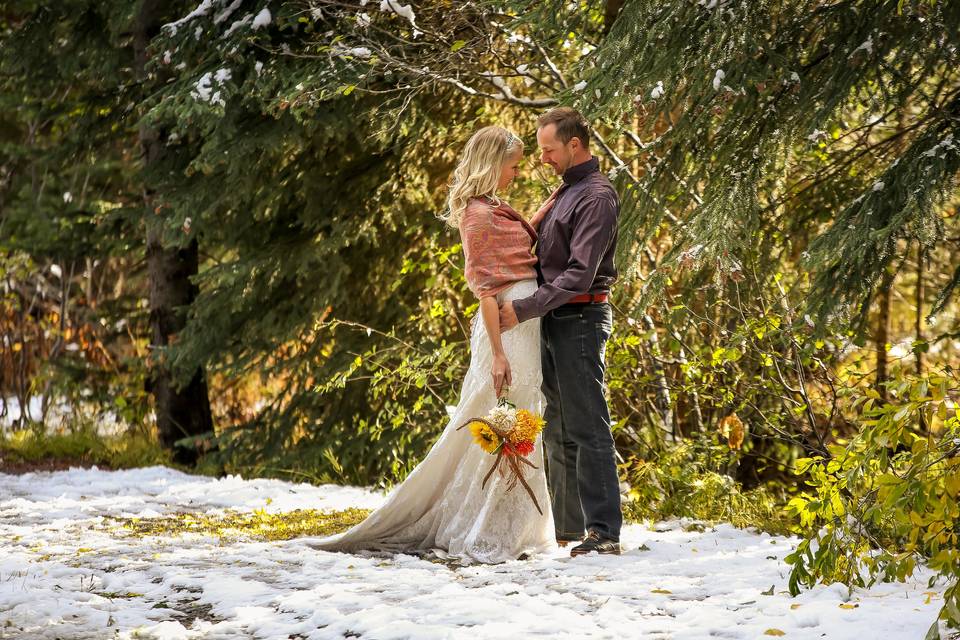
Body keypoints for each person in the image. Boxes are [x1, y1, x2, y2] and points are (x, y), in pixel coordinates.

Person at [307, 125, 558, 563]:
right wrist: (497, 354)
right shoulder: (477, 216)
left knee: (521, 417)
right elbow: (485, 291)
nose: (516, 173)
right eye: (512, 166)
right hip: (507, 331)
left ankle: (516, 523)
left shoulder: (492, 207)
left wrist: (547, 208)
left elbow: (521, 249)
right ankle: (482, 524)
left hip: (523, 325)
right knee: (501, 417)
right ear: (492, 163)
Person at [499, 107, 623, 557]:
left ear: (575, 145)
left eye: (549, 150)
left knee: (588, 424)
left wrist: (522, 309)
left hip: (582, 320)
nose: (543, 158)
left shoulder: (596, 197)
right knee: (558, 425)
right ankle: (569, 530)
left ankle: (604, 531)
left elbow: (579, 275)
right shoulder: (563, 194)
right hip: (555, 318)